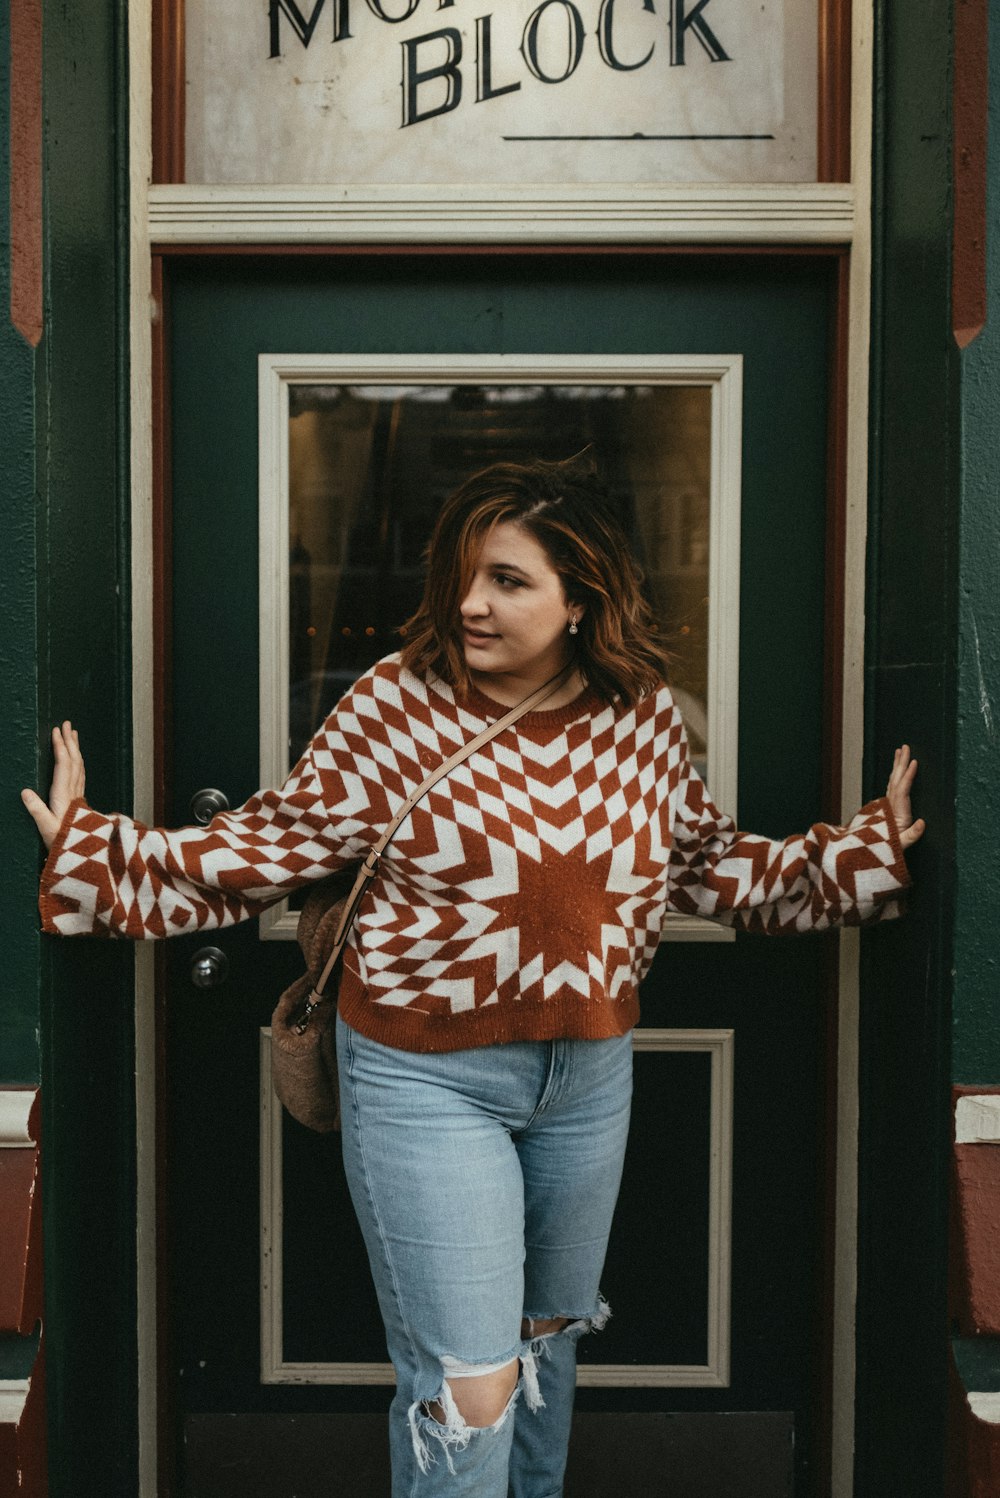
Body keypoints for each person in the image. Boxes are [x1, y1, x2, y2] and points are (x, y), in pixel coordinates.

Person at [22, 456, 924, 1498]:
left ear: (580, 598)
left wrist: (859, 859)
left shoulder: (639, 718)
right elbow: (270, 846)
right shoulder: (395, 709)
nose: (468, 603)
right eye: (461, 575)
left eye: (506, 579)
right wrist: (93, 855)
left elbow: (706, 864)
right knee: (470, 1387)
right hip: (421, 1078)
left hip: (589, 1078)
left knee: (544, 1350)